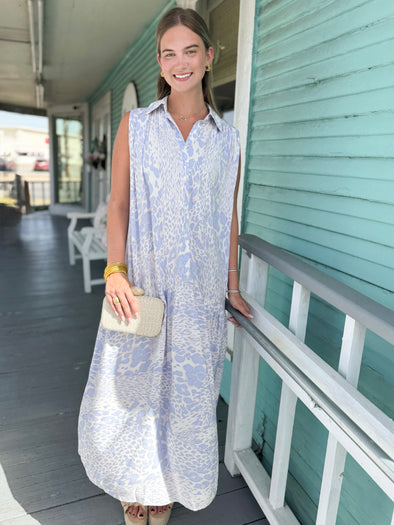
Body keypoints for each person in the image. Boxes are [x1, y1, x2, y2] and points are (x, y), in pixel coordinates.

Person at [78, 7, 251, 525]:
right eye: (169, 53)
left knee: (187, 396)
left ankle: (165, 488)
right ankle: (136, 482)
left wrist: (233, 285)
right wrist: (115, 272)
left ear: (209, 57)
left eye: (190, 51)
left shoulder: (229, 138)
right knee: (131, 391)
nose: (180, 63)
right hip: (144, 286)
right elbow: (118, 206)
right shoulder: (136, 125)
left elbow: (228, 214)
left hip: (199, 296)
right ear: (159, 61)